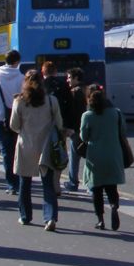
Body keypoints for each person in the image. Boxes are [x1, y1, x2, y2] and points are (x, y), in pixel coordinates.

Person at [9, 69, 63, 231]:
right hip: (46, 147)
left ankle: (25, 216)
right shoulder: (52, 101)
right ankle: (50, 217)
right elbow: (59, 124)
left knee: (24, 183)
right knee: (48, 184)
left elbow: (14, 126)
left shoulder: (19, 101)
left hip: (26, 145)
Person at [80, 84, 127, 231]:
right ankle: (114, 206)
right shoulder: (116, 113)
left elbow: (83, 137)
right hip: (113, 154)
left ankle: (100, 219)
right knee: (112, 187)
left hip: (95, 156)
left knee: (97, 189)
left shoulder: (87, 116)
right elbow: (123, 131)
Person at [0, 50, 25, 194]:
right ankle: (20, 180)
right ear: (17, 62)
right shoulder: (21, 78)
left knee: (5, 151)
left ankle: (11, 183)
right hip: (18, 118)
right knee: (17, 150)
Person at [41, 62, 74, 192]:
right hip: (60, 125)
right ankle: (56, 184)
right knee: (58, 153)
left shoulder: (40, 86)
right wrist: (68, 126)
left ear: (43, 72)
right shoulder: (63, 85)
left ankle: (47, 183)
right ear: (55, 72)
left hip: (43, 126)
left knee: (44, 154)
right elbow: (69, 106)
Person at [64, 67, 87, 192]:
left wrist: (70, 128)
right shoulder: (87, 89)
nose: (68, 80)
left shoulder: (74, 92)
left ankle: (73, 182)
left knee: (74, 156)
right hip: (88, 128)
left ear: (76, 78)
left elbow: (73, 113)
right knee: (89, 156)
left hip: (77, 129)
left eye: (69, 78)